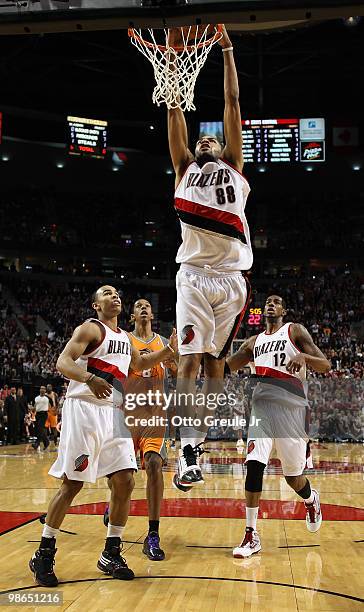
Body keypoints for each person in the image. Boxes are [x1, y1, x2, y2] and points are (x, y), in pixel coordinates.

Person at [29, 285, 177, 587]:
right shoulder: (90, 328)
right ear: (96, 305)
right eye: (107, 293)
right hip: (83, 407)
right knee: (72, 484)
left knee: (125, 480)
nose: (115, 295)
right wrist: (90, 378)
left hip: (113, 412)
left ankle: (111, 551)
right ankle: (44, 553)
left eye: (116, 293)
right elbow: (63, 362)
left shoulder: (124, 337)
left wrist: (169, 350)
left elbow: (139, 364)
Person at [167, 24, 253, 488]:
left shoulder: (233, 168)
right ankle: (186, 450)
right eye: (201, 141)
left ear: (222, 149)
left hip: (232, 280)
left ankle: (198, 441)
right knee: (188, 362)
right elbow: (176, 110)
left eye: (212, 141)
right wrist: (174, 61)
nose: (205, 142)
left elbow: (232, 105)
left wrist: (227, 49)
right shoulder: (184, 169)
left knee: (216, 367)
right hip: (195, 276)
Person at [226, 295, 331, 558]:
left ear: (283, 310)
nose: (271, 304)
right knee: (254, 465)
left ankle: (310, 500)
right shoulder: (253, 343)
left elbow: (326, 365)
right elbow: (225, 367)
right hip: (262, 409)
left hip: (292, 412)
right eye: (268, 302)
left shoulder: (294, 331)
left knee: (293, 477)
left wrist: (304, 357)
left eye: (276, 301)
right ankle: (251, 534)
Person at [104, 298, 178, 561]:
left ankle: (153, 534)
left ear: (152, 314)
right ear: (133, 315)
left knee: (154, 464)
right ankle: (114, 502)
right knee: (120, 476)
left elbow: (177, 370)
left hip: (154, 414)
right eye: (138, 306)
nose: (144, 308)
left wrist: (173, 362)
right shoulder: (123, 339)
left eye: (147, 306)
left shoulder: (162, 341)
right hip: (126, 414)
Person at [32, 386, 50, 452]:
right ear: (39, 390)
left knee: (40, 428)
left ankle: (37, 443)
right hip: (38, 414)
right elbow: (34, 407)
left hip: (44, 414)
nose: (42, 390)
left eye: (43, 389)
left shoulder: (47, 398)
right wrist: (32, 409)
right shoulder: (36, 398)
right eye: (41, 388)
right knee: (40, 429)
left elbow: (51, 405)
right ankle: (46, 442)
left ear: (45, 390)